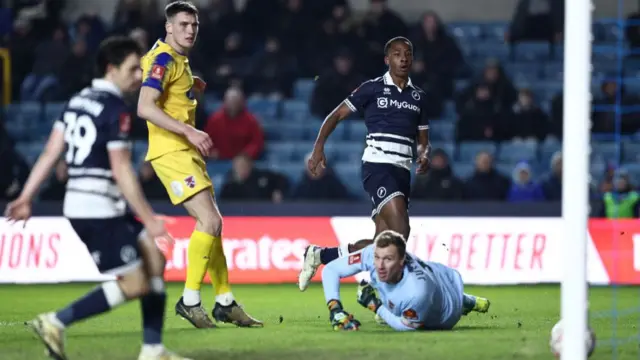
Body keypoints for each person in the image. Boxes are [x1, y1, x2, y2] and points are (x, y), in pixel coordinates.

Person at [4, 36, 190, 360]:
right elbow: (121, 170)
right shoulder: (116, 109)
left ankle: (152, 349)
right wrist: (149, 219)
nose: (139, 77)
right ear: (111, 69)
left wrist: (26, 196)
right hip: (98, 208)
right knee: (135, 284)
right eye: (133, 69)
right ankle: (55, 321)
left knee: (155, 261)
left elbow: (51, 151)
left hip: (89, 204)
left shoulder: (77, 101)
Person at [136, 1, 261, 328]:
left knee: (214, 224)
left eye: (194, 25)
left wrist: (191, 86)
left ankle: (225, 301)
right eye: (183, 25)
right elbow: (145, 107)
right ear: (168, 27)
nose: (190, 30)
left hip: (183, 151)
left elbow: (165, 91)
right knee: (209, 220)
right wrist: (188, 129)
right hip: (171, 151)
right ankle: (190, 300)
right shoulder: (164, 59)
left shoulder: (175, 59)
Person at [299, 36, 431, 290]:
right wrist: (318, 147)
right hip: (378, 166)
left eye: (407, 54)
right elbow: (336, 114)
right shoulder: (372, 88)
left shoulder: (419, 97)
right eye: (397, 54)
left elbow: (423, 138)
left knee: (381, 243)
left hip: (402, 171)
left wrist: (424, 155)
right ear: (387, 59)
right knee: (401, 230)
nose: (403, 58)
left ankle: (320, 255)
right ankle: (384, 292)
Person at [321, 230, 490, 331]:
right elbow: (330, 269)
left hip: (446, 313)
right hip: (435, 274)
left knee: (393, 312)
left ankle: (466, 301)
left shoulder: (418, 292)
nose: (379, 265)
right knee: (391, 300)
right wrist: (335, 310)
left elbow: (407, 327)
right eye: (377, 258)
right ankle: (469, 300)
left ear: (402, 260)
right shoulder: (371, 254)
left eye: (387, 259)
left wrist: (376, 306)